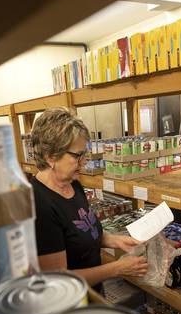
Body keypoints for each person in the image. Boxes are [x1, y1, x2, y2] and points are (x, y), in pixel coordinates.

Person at [29, 107, 148, 287]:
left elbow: (85, 234)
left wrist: (116, 241)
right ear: (50, 157)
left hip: (92, 293)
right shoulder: (39, 204)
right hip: (73, 301)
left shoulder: (73, 184)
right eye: (78, 155)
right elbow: (58, 279)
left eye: (84, 154)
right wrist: (116, 268)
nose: (84, 161)